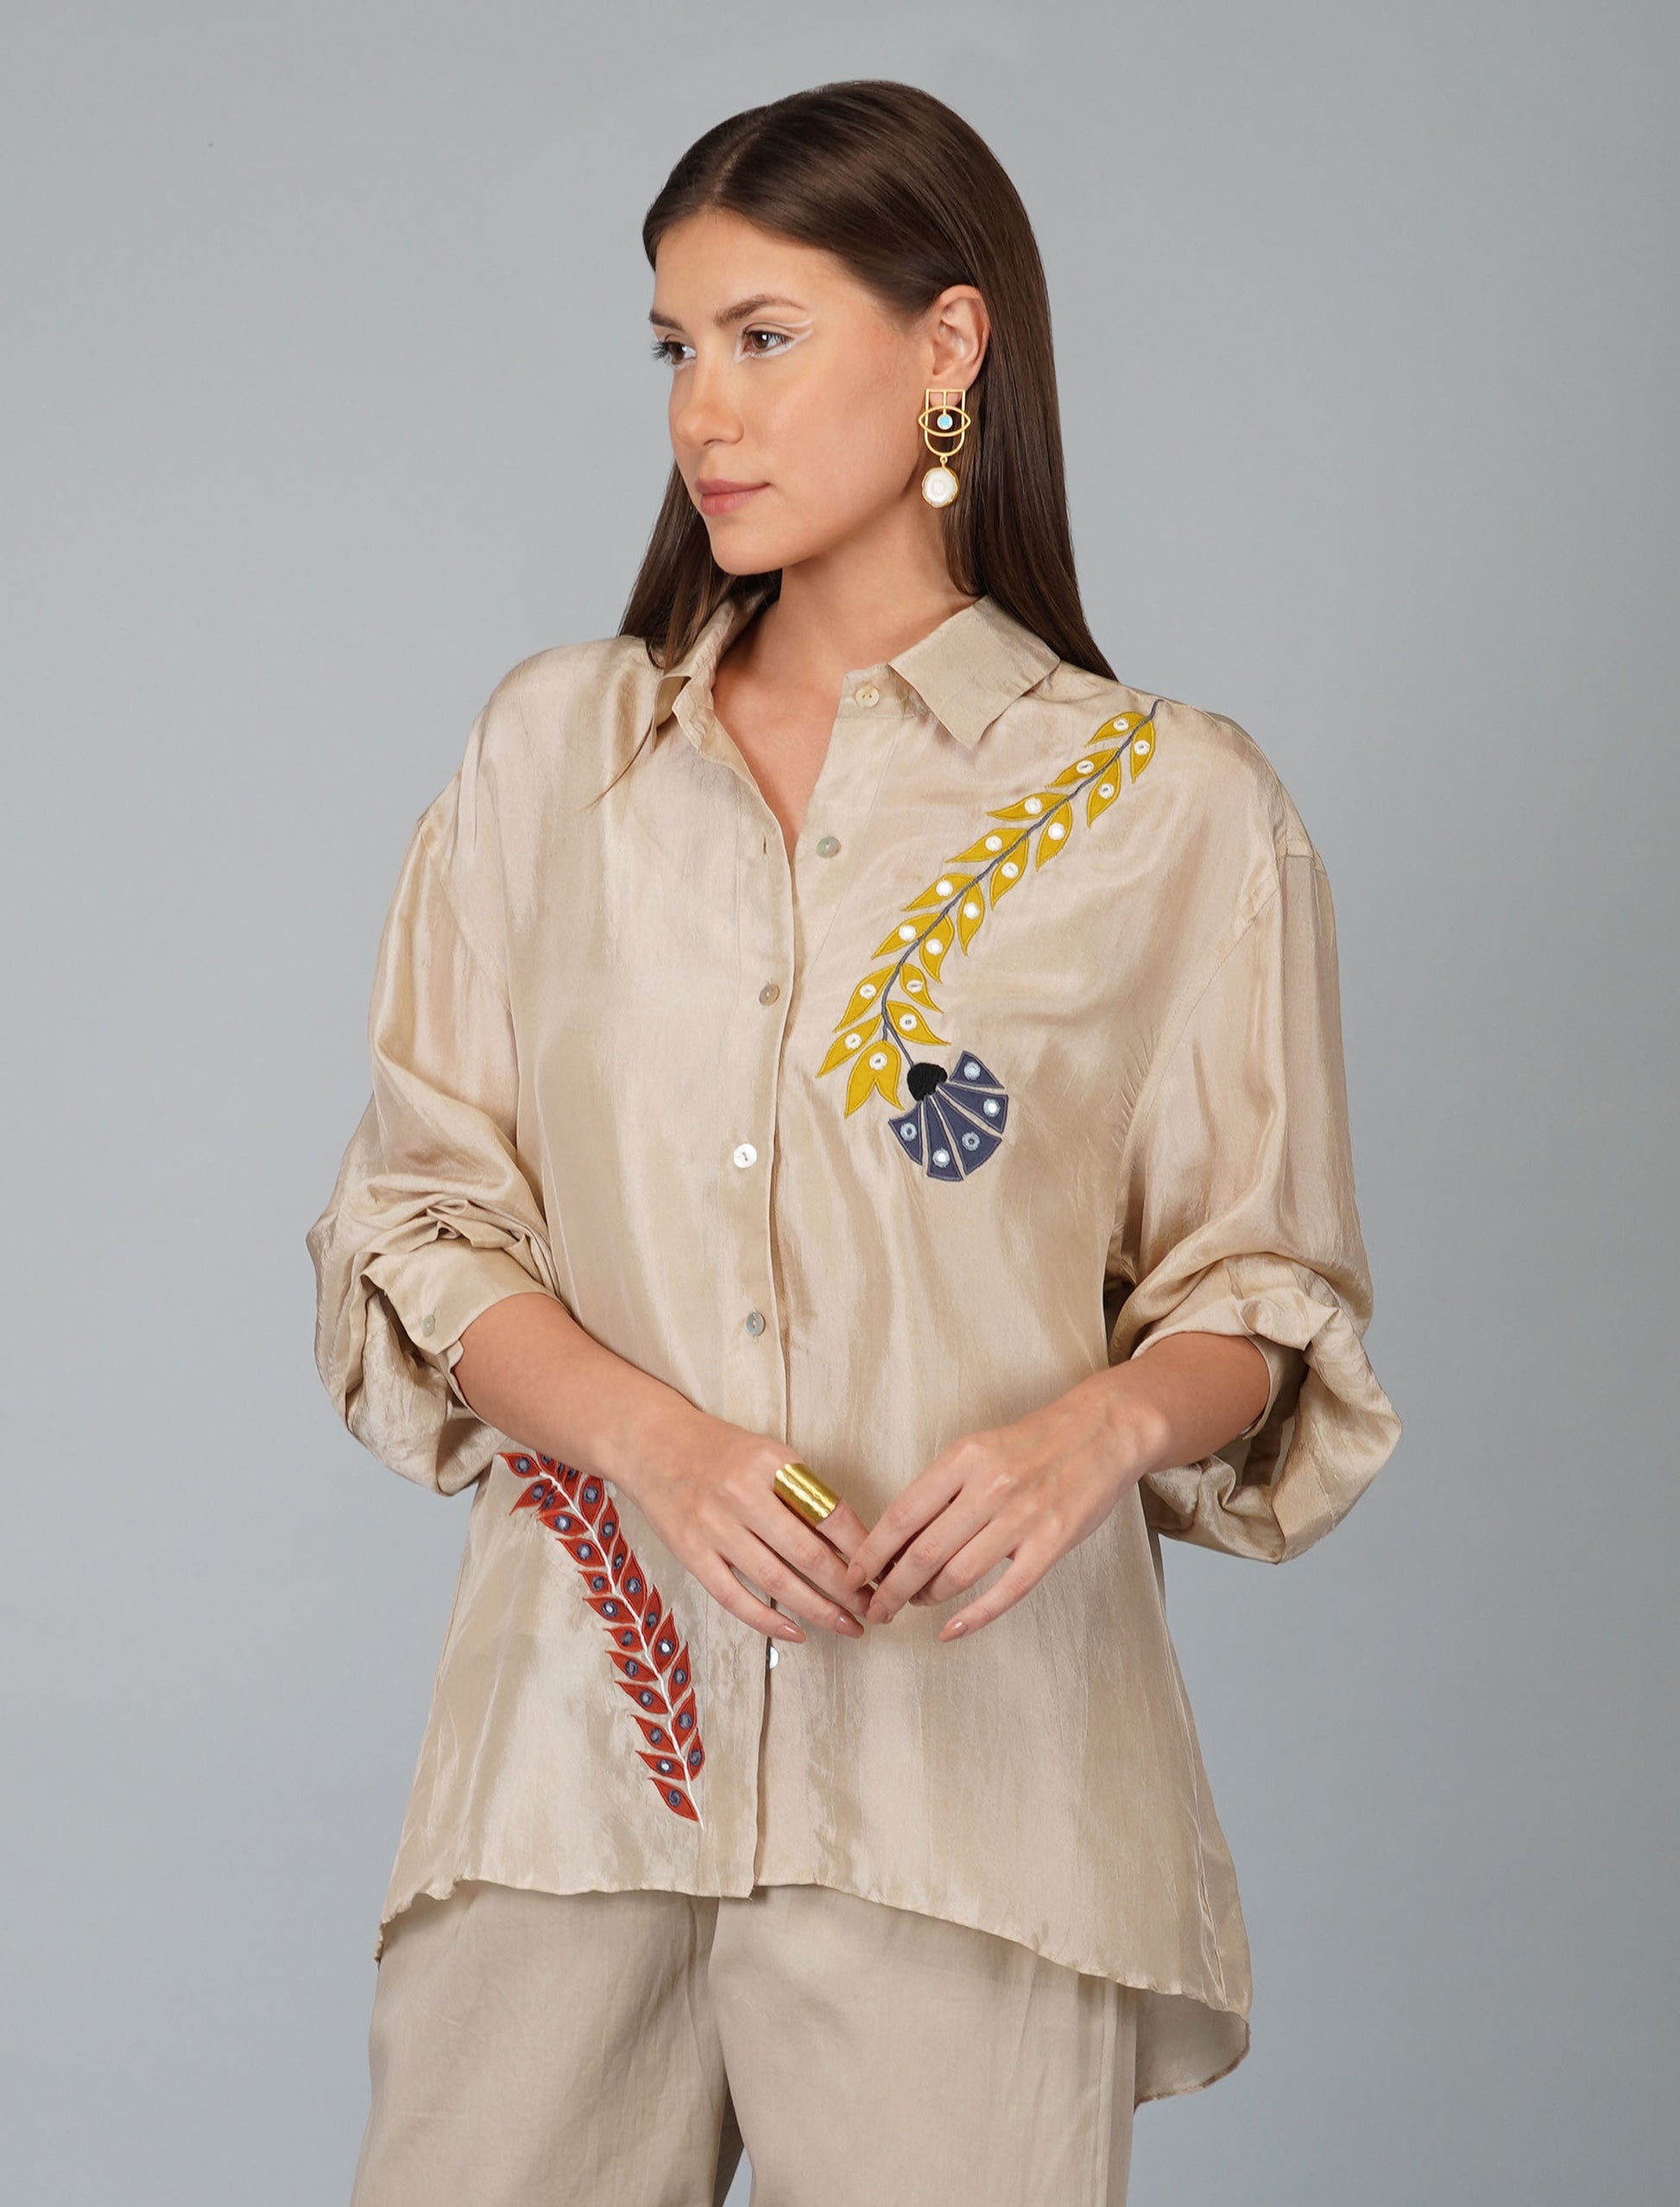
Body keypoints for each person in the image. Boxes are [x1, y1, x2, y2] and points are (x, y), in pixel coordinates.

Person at [307, 77, 1400, 2207]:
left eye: (763, 336)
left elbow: (1262, 1289)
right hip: (573, 1761)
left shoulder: (1169, 810)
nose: (701, 411)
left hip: (971, 1787)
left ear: (948, 345)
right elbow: (422, 1223)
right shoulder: (555, 759)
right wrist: (661, 1446)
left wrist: (1096, 1432)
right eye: (674, 346)